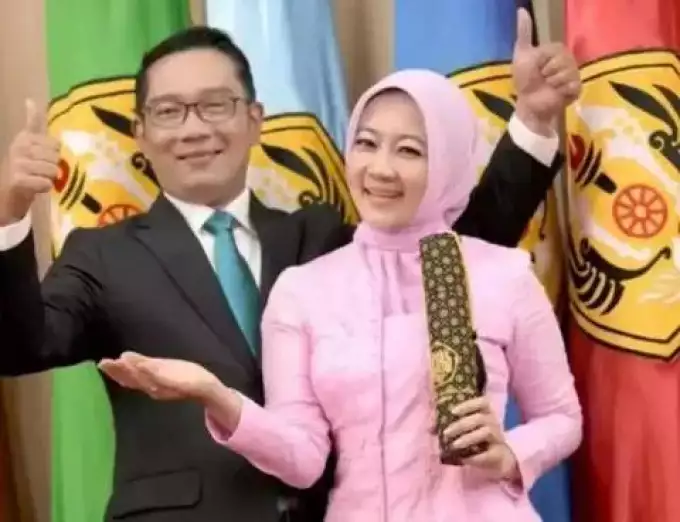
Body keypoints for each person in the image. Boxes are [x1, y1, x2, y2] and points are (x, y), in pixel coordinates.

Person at [0, 20, 579, 522]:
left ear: (256, 120)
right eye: (169, 111)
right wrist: (10, 212)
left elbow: (453, 254)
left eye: (216, 106)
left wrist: (532, 121)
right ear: (140, 133)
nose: (194, 128)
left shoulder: (316, 234)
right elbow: (19, 346)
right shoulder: (102, 254)